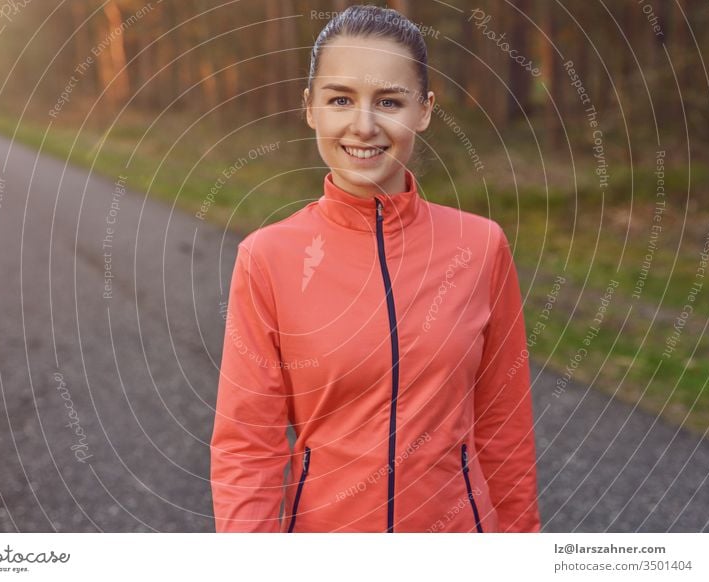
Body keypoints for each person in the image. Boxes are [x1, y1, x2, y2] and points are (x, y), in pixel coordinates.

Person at [210, 4, 540, 533]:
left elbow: (505, 430)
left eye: (389, 101)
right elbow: (247, 448)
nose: (363, 126)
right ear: (311, 108)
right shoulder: (266, 258)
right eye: (341, 99)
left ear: (425, 110)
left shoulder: (481, 247)